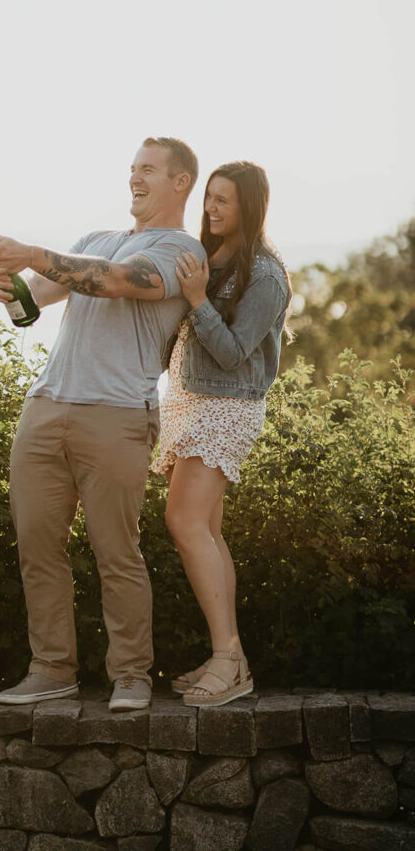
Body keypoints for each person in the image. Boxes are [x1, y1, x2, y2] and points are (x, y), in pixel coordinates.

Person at [0, 137, 205, 711]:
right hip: (45, 407)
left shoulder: (182, 253)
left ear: (180, 182)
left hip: (117, 416)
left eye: (149, 170)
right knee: (37, 545)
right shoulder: (94, 240)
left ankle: (131, 676)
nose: (135, 178)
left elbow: (114, 281)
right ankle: (51, 669)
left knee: (116, 550)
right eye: (133, 168)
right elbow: (32, 308)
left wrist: (31, 251)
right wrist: (9, 291)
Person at [151, 161, 291, 707]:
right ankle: (230, 661)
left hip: (226, 407)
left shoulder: (267, 275)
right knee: (205, 527)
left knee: (183, 520)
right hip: (190, 401)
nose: (211, 208)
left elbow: (233, 354)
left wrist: (196, 299)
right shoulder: (215, 254)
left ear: (249, 206)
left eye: (223, 201)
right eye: (209, 197)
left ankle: (229, 658)